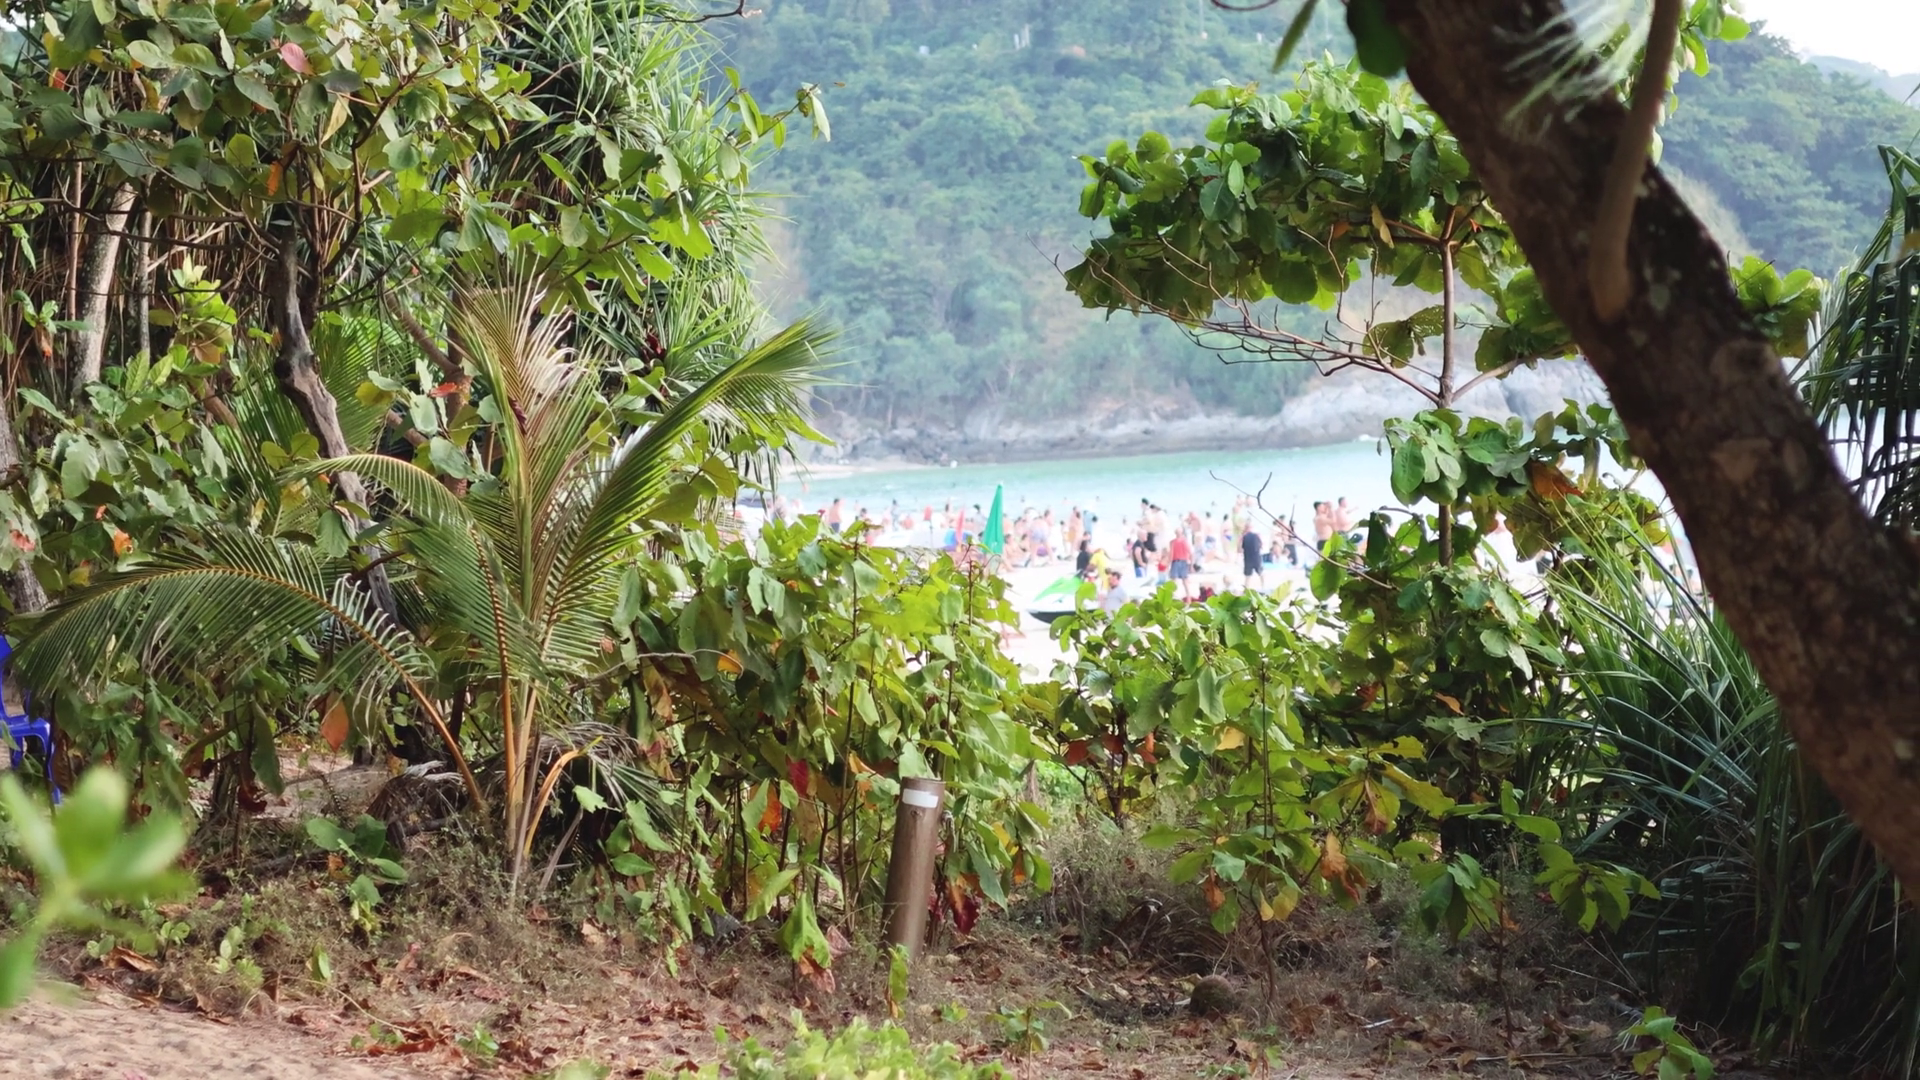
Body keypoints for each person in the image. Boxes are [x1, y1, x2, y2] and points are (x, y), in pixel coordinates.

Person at [1167, 529, 1194, 599]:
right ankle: (1188, 597)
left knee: (1174, 581)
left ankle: (1172, 597)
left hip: (1177, 562)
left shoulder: (1173, 542)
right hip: (1182, 562)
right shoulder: (1184, 541)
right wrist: (1191, 565)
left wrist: (1168, 565)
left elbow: (1171, 554)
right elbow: (1191, 553)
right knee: (1184, 581)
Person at [1241, 521, 1266, 589]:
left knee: (1248, 576)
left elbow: (1240, 548)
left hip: (1248, 558)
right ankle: (1263, 586)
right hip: (1256, 557)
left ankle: (1246, 589)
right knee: (1260, 572)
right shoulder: (1257, 535)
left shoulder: (1244, 536)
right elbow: (1261, 545)